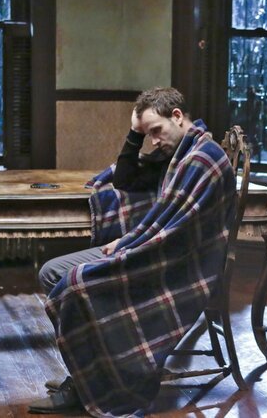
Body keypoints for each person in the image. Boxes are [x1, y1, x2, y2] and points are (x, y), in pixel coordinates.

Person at [29, 87, 237, 416]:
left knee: (73, 284)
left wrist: (127, 243)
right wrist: (134, 132)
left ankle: (93, 384)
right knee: (52, 272)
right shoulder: (176, 152)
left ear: (177, 117)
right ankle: (91, 376)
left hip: (177, 267)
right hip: (148, 249)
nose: (153, 140)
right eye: (147, 134)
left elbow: (176, 231)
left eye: (156, 130)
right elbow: (124, 180)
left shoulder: (201, 158)